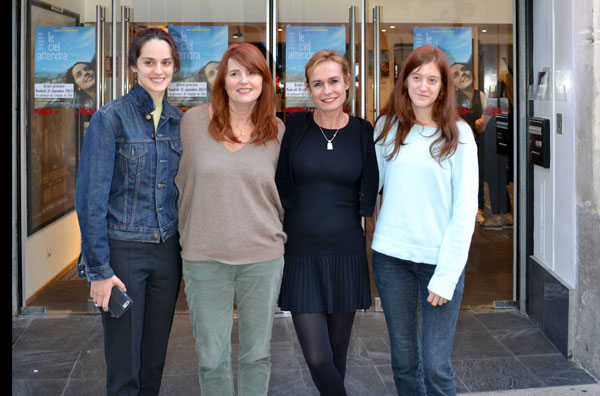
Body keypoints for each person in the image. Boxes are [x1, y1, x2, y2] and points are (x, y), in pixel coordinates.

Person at [75, 27, 183, 396]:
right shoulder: (110, 119)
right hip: (123, 254)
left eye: (166, 62)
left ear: (175, 67)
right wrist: (99, 271)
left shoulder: (178, 121)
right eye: (149, 61)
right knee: (125, 367)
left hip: (167, 253)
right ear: (134, 66)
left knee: (153, 361)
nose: (158, 70)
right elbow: (90, 201)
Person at [175, 43, 286, 396]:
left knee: (258, 355)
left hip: (262, 258)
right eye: (234, 73)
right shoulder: (192, 122)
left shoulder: (277, 131)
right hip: (204, 257)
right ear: (222, 80)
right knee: (211, 358)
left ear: (264, 81)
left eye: (252, 73)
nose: (243, 81)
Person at [372, 45, 478, 396]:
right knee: (404, 362)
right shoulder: (387, 127)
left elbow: (465, 211)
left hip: (438, 262)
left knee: (436, 367)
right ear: (404, 82)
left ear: (444, 87)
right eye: (416, 77)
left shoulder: (460, 136)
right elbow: (370, 183)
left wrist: (446, 276)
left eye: (432, 79)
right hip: (391, 260)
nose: (423, 86)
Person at [275, 49, 378, 396]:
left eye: (334, 81)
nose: (327, 90)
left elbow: (378, 184)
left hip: (346, 254)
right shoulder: (294, 128)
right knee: (318, 358)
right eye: (318, 84)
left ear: (348, 83)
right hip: (301, 254)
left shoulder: (364, 132)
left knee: (336, 354)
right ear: (308, 89)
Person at [450, 62, 488, 225]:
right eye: (456, 74)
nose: (462, 75)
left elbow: (488, 114)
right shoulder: (450, 97)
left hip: (476, 143)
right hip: (453, 144)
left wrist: (482, 122)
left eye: (464, 70)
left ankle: (477, 209)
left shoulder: (479, 95)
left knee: (475, 177)